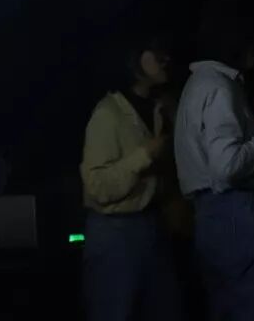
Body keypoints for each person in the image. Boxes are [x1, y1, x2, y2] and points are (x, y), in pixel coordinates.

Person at [174, 0, 254, 321]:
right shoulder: (220, 86)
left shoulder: (197, 84)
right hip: (237, 211)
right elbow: (226, 167)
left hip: (209, 217)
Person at [80, 30, 183, 321]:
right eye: (155, 52)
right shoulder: (108, 113)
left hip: (152, 226)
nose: (165, 58)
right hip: (116, 232)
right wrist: (145, 155)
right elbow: (97, 186)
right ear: (135, 60)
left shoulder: (161, 108)